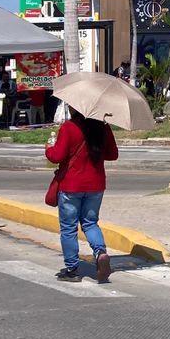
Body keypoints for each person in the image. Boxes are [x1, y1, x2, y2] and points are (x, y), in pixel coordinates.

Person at [46, 109, 118, 283]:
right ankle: (100, 253)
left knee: (69, 228)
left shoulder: (69, 127)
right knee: (90, 222)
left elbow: (57, 156)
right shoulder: (103, 128)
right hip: (96, 184)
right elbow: (112, 154)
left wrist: (48, 149)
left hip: (71, 185)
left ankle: (72, 269)